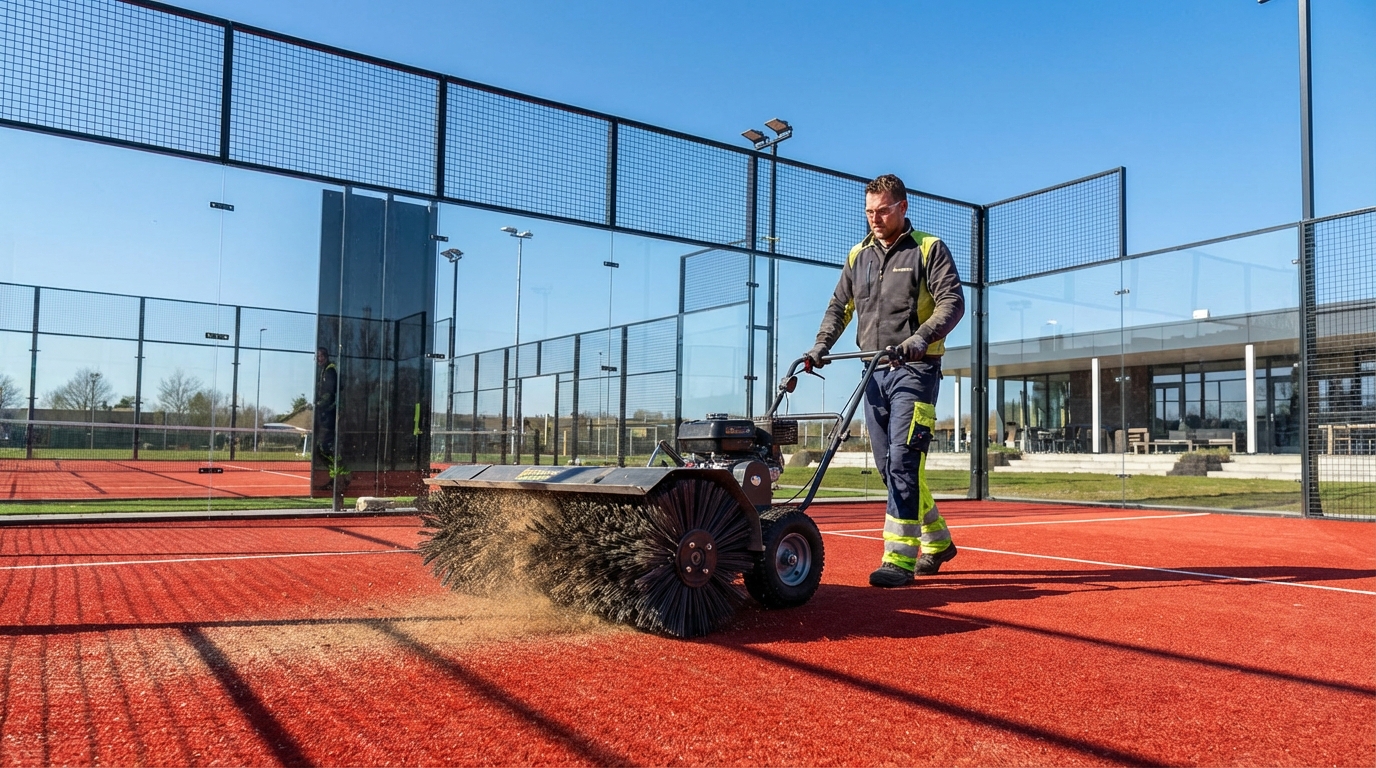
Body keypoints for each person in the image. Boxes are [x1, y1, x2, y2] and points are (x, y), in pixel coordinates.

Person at [805, 174, 966, 588]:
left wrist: (920, 338)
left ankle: (898, 558)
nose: (875, 219)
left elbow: (952, 302)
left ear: (903, 207)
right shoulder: (858, 254)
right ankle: (938, 541)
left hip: (916, 370)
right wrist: (820, 346)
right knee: (886, 465)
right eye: (869, 212)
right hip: (872, 371)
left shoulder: (928, 249)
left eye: (883, 211)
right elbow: (840, 306)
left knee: (903, 461)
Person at [313, 346, 339, 485]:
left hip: (330, 414)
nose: (318, 359)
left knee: (323, 447)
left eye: (320, 356)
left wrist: (319, 405)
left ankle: (339, 475)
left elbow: (329, 395)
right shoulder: (323, 371)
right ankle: (335, 476)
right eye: (316, 357)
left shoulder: (330, 371)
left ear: (325, 356)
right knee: (320, 448)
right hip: (325, 414)